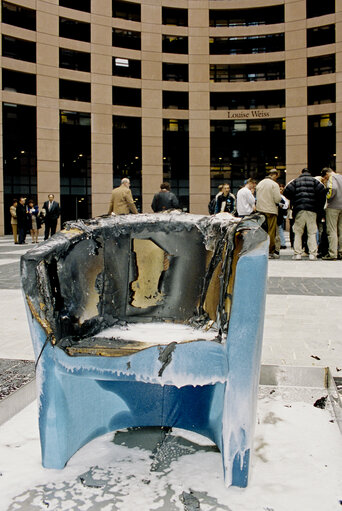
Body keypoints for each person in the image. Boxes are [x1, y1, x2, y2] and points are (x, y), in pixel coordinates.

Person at [283, 168, 325, 260]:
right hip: (312, 210)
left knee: (298, 232)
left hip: (299, 210)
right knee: (312, 232)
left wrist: (294, 199)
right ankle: (312, 254)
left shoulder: (295, 181)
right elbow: (322, 193)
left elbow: (286, 192)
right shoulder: (315, 181)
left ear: (301, 173)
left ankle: (297, 253)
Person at [255, 169, 282, 258]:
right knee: (271, 232)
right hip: (271, 210)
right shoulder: (274, 184)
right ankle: (270, 251)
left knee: (262, 231)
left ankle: (261, 249)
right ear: (275, 175)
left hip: (260, 210)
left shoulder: (260, 183)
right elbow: (277, 199)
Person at [320, 167, 342, 260]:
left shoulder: (332, 178)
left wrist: (328, 198)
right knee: (341, 230)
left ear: (327, 174)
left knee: (332, 230)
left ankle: (333, 253)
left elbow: (333, 189)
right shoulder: (341, 177)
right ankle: (341, 251)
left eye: (325, 177)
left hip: (333, 206)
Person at [277, 184, 289, 249]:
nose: (280, 190)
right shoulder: (281, 197)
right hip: (280, 214)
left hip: (280, 214)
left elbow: (286, 206)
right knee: (280, 229)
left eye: (281, 189)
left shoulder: (283, 197)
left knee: (280, 229)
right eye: (279, 189)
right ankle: (282, 243)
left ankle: (282, 243)